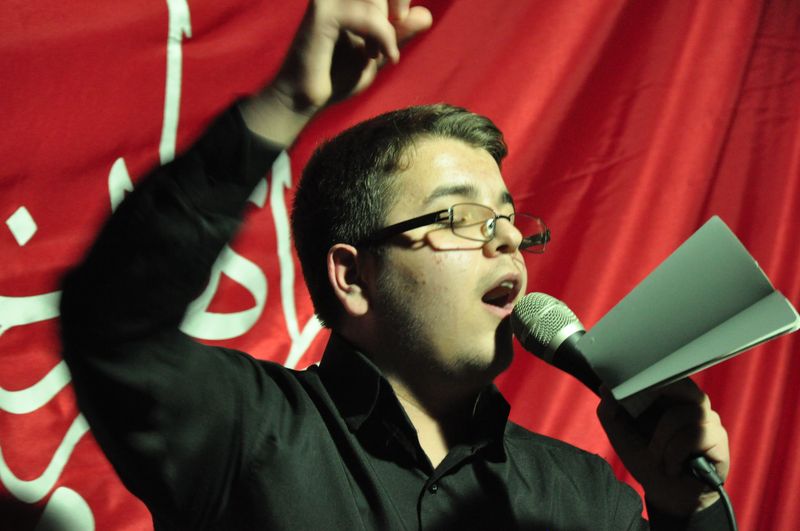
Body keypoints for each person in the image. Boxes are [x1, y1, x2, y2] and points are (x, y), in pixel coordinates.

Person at [60, 0, 731, 529]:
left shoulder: (584, 497)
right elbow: (114, 326)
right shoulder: (248, 432)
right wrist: (287, 101)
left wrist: (691, 510)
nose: (505, 240)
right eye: (462, 217)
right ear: (353, 277)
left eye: (507, 219)